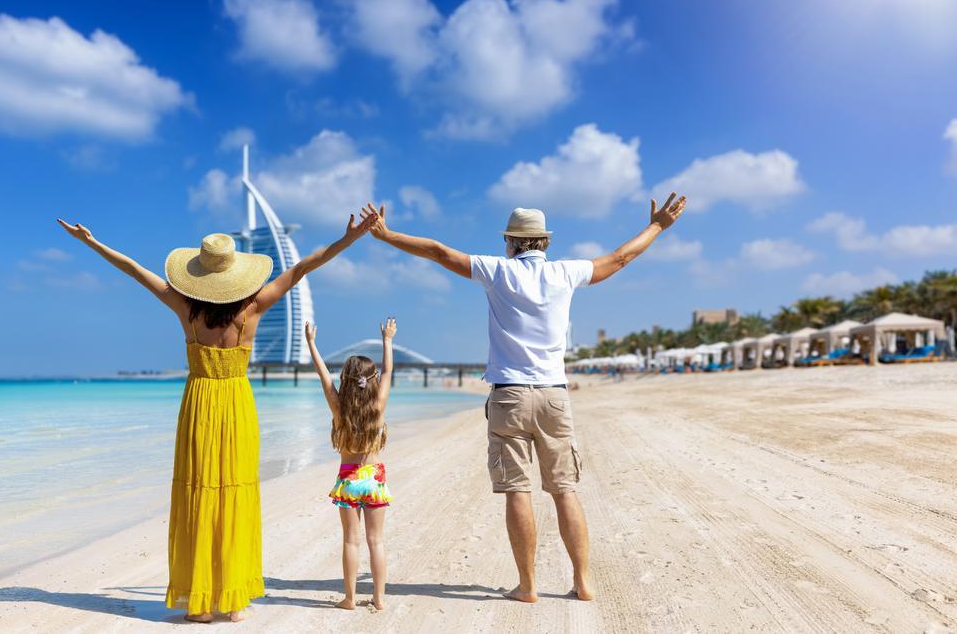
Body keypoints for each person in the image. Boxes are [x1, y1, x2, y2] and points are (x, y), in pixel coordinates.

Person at [358, 193, 687, 603]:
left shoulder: (498, 271)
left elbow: (439, 252)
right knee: (565, 489)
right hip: (554, 396)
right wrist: (658, 226)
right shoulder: (566, 273)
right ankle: (583, 582)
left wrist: (386, 235)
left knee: (518, 490)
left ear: (510, 243)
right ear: (544, 243)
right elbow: (620, 258)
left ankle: (528, 585)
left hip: (509, 396)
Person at [58, 214, 371, 623]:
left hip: (199, 405)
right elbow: (304, 266)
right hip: (238, 406)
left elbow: (135, 270)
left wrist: (91, 242)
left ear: (200, 277)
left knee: (199, 495)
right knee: (234, 495)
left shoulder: (185, 309)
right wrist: (349, 238)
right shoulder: (255, 307)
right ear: (236, 276)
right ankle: (234, 601)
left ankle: (201, 603)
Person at [304, 317, 396, 612]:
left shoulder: (338, 407)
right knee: (376, 542)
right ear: (372, 380)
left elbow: (323, 377)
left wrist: (311, 344)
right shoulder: (378, 406)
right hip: (374, 477)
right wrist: (387, 340)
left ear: (345, 379)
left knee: (351, 542)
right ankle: (380, 599)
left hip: (348, 479)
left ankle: (350, 598)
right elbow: (389, 370)